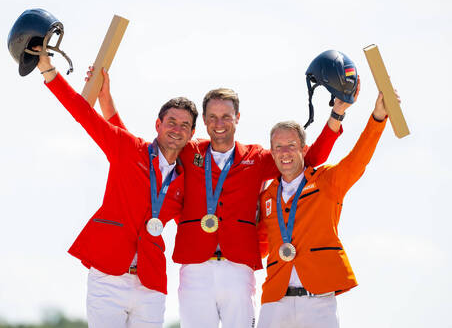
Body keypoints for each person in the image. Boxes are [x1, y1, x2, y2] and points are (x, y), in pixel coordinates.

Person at [35, 49, 198, 328]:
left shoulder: (186, 179)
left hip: (151, 283)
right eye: (171, 121)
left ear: (192, 133)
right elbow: (83, 114)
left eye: (185, 125)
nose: (177, 129)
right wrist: (48, 70)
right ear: (158, 124)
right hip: (108, 277)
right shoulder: (128, 149)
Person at [170, 87, 348, 328]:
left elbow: (309, 159)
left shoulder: (255, 158)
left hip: (238, 268)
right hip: (194, 268)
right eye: (212, 117)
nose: (218, 123)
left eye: (226, 116)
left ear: (238, 118)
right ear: (203, 120)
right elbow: (147, 152)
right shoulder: (190, 151)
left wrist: (336, 115)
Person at [256, 88, 397, 328]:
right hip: (274, 299)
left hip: (318, 300)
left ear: (303, 148)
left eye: (291, 145)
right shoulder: (266, 196)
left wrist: (378, 118)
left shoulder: (326, 180)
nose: (285, 152)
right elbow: (257, 245)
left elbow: (357, 159)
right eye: (278, 147)